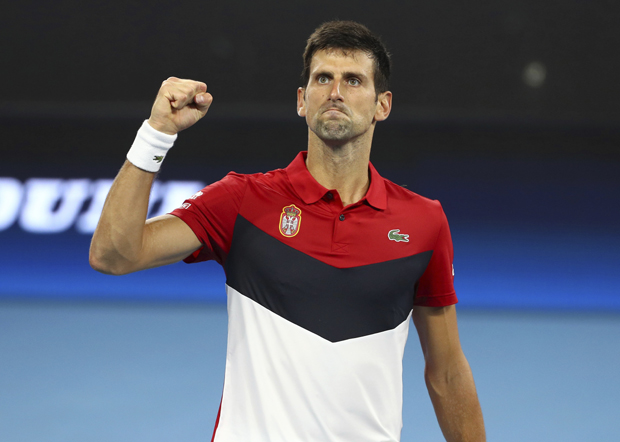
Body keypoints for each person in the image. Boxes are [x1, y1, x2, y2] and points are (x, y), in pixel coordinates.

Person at [90, 20, 485, 442]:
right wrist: (156, 133)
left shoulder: (423, 222)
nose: (335, 92)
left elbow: (446, 372)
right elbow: (113, 255)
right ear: (302, 100)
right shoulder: (241, 200)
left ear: (382, 105)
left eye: (353, 80)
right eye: (323, 78)